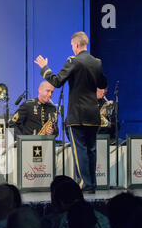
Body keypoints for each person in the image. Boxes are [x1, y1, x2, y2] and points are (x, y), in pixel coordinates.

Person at [35, 31, 107, 194]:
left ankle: (83, 183)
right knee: (91, 149)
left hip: (78, 114)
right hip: (93, 114)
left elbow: (57, 81)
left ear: (75, 45)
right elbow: (103, 82)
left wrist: (44, 68)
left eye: (72, 47)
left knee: (80, 149)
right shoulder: (97, 62)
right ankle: (92, 184)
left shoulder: (73, 61)